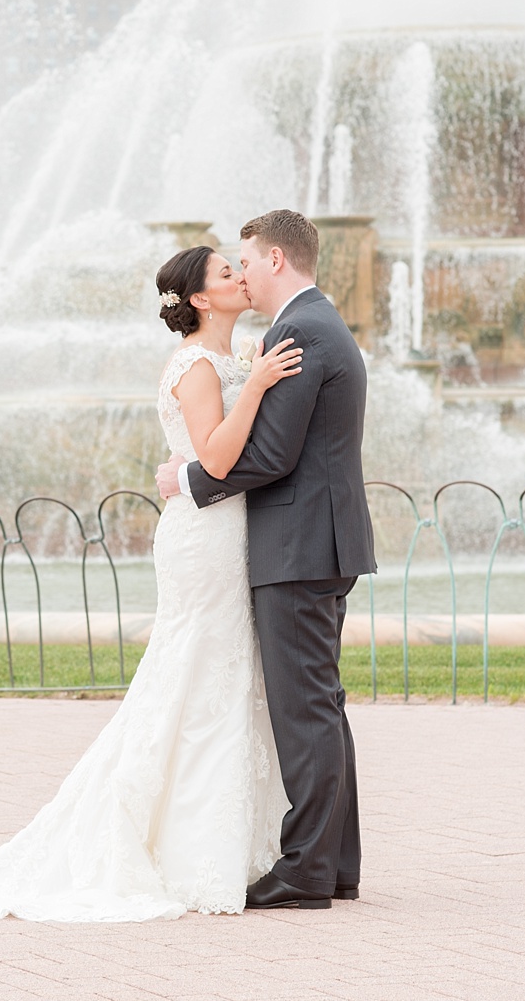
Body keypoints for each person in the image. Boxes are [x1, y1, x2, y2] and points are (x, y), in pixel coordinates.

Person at [0, 242, 303, 921]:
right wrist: (263, 386)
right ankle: (175, 844)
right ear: (201, 299)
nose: (240, 277)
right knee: (193, 673)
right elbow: (214, 456)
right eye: (225, 272)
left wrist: (256, 377)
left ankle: (227, 842)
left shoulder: (231, 359)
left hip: (221, 528)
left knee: (219, 674)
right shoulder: (197, 365)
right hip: (206, 535)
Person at [157, 209, 377, 909]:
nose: (242, 271)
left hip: (297, 545)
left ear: (276, 259)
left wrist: (187, 480)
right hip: (316, 540)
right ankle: (334, 861)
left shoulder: (299, 330)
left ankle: (308, 867)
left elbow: (273, 453)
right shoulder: (314, 323)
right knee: (323, 704)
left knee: (304, 708)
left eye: (246, 260)